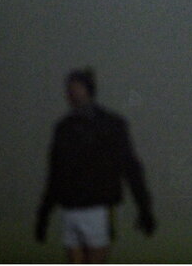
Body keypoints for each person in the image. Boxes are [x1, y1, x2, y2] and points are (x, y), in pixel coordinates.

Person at [35, 68, 156, 263]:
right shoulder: (65, 128)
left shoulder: (110, 125)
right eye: (70, 89)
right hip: (71, 208)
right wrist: (44, 215)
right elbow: (55, 174)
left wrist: (144, 209)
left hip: (98, 209)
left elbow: (130, 168)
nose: (72, 93)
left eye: (76, 88)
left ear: (88, 89)